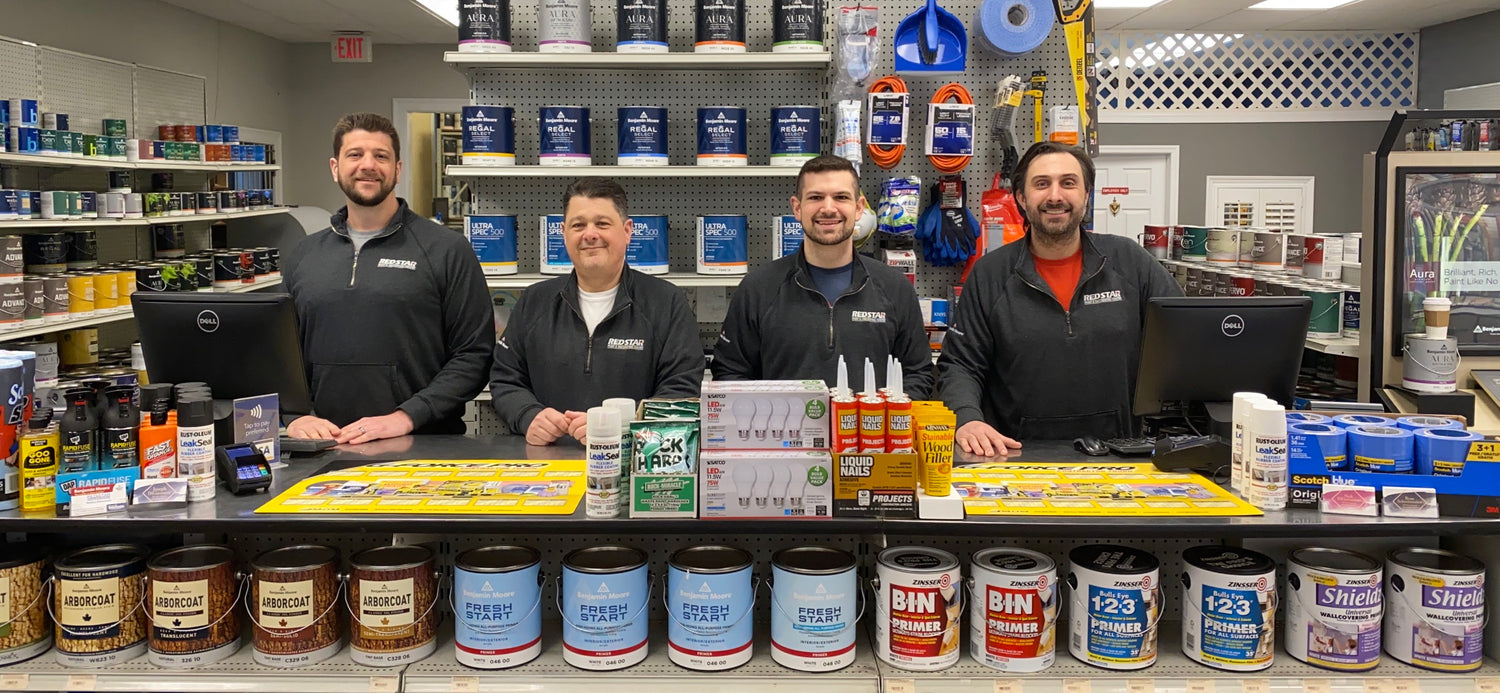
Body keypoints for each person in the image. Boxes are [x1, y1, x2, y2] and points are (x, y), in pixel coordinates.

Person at [936, 141, 1183, 455]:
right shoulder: (990, 274)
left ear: (1086, 195)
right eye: (1042, 184)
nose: (1055, 196)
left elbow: (1182, 337)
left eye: (1068, 183)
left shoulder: (1129, 261)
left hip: (1117, 456)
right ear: (1021, 199)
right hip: (1013, 456)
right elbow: (960, 364)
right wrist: (966, 418)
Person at [283, 113, 495, 444]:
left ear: (397, 169)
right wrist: (293, 418)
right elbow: (282, 355)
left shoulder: (446, 249)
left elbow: (474, 354)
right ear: (335, 167)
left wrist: (407, 416)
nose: (368, 165)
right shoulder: (304, 255)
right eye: (355, 154)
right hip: (325, 444)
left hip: (423, 445)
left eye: (380, 156)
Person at [489, 177, 704, 445]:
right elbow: (505, 379)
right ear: (563, 232)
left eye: (602, 223)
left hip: (634, 460)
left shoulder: (666, 302)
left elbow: (681, 390)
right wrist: (527, 415)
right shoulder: (534, 301)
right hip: (550, 463)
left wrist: (619, 426)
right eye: (578, 225)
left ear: (627, 231)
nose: (590, 234)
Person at [712, 155, 933, 398]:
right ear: (797, 208)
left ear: (859, 208)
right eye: (816, 197)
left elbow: (918, 374)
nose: (828, 208)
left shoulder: (894, 287)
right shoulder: (758, 288)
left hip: (870, 434)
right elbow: (730, 373)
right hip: (782, 433)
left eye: (841, 197)